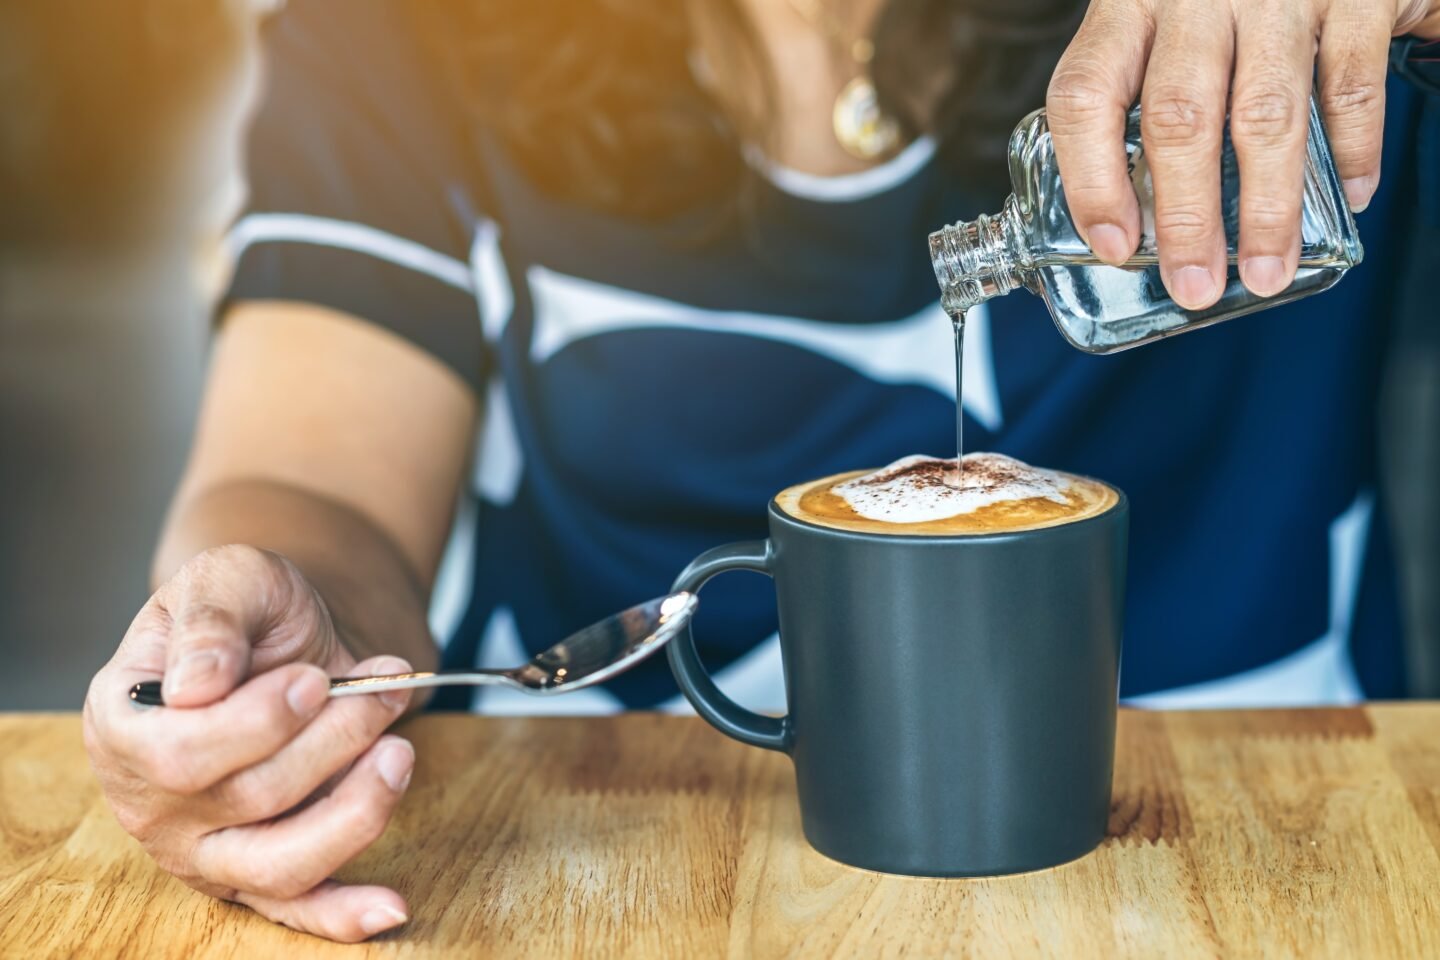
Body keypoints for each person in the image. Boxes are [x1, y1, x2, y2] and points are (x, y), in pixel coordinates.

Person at [83, 0, 1440, 943]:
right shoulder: (408, 33)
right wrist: (269, 676)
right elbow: (319, 487)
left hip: (1268, 853)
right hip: (579, 877)